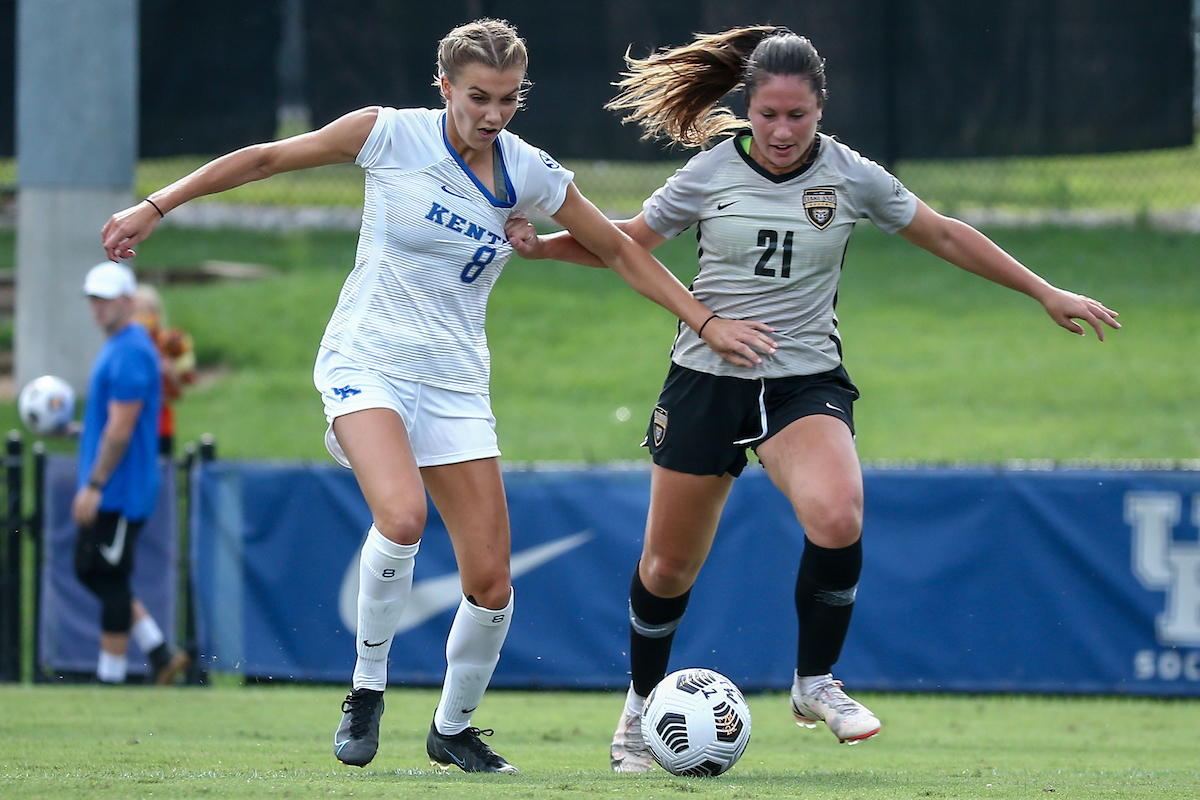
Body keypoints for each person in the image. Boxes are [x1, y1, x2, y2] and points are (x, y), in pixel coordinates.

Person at [100, 19, 773, 773]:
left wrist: (704, 321)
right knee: (402, 515)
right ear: (444, 86)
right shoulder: (389, 135)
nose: (493, 114)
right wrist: (155, 206)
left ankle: (452, 729)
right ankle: (365, 692)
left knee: (491, 583)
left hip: (454, 383)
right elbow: (266, 157)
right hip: (366, 361)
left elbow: (618, 247)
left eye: (509, 99)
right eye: (478, 97)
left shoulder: (530, 171)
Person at [504, 26, 1120, 772]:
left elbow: (946, 235)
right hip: (706, 380)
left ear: (821, 109)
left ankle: (815, 682)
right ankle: (639, 707)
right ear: (748, 108)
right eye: (768, 115)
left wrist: (1043, 290)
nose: (783, 131)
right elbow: (629, 240)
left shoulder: (851, 175)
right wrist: (543, 246)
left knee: (838, 512)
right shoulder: (708, 173)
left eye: (798, 115)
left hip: (804, 381)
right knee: (668, 569)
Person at [72, 262, 191, 686]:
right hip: (115, 483)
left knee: (106, 573)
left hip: (121, 487)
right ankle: (159, 652)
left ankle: (112, 678)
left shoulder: (130, 350)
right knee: (95, 570)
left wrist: (95, 484)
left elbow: (122, 428)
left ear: (127, 301)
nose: (98, 308)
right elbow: (113, 421)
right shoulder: (121, 345)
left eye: (106, 299)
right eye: (94, 299)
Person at [131, 284, 197, 456]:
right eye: (139, 311)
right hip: (132, 422)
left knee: (163, 469)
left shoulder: (167, 343)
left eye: (150, 311)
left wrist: (170, 372)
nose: (145, 317)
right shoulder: (127, 345)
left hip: (161, 425)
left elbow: (179, 391)